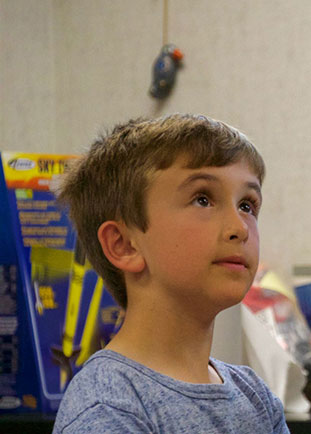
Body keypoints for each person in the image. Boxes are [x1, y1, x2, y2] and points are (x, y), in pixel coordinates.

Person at [53, 114, 289, 433]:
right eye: (203, 199)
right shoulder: (109, 408)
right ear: (124, 245)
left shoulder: (256, 398)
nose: (239, 228)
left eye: (247, 205)